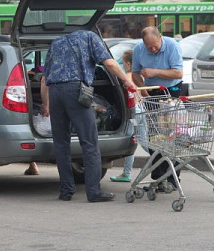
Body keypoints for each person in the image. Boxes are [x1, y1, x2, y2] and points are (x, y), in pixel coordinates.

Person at [40, 30, 136, 202]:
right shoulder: (90, 37)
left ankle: (66, 191)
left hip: (55, 93)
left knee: (61, 144)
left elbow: (44, 79)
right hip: (76, 91)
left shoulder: (56, 42)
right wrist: (126, 81)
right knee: (89, 142)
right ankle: (93, 192)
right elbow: (110, 64)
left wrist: (46, 105)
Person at [132, 26, 183, 191]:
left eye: (155, 46)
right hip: (151, 93)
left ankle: (173, 178)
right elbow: (134, 74)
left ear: (160, 37)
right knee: (154, 136)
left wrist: (155, 72)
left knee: (171, 135)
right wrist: (142, 88)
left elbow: (178, 73)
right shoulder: (139, 49)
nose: (153, 49)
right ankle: (158, 178)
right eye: (149, 47)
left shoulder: (172, 45)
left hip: (171, 91)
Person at [110, 50, 149, 182]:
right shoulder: (139, 76)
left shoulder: (128, 77)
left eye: (123, 62)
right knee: (136, 140)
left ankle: (160, 160)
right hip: (141, 110)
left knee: (139, 140)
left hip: (134, 114)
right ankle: (126, 173)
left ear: (127, 63)